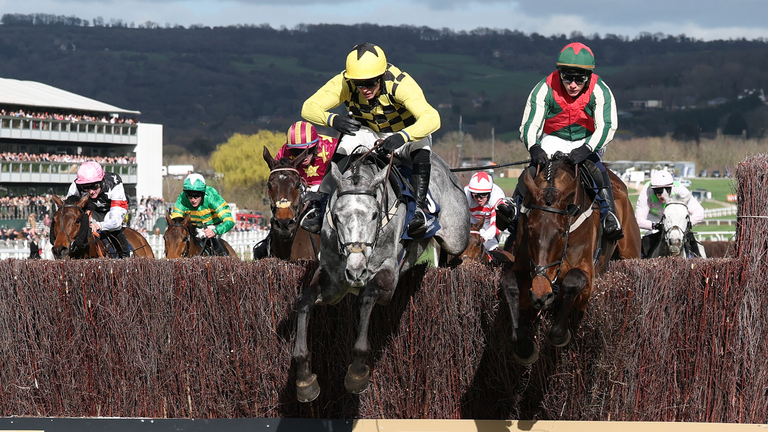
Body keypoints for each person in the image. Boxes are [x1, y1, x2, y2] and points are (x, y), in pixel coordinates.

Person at [301, 42, 441, 238]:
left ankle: (420, 211)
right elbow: (308, 107)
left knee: (422, 144)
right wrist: (332, 119)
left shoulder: (400, 84)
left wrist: (403, 136)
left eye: (371, 82)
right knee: (346, 143)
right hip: (369, 133)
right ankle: (321, 204)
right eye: (359, 84)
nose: (364, 89)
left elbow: (432, 118)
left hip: (404, 135)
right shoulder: (344, 82)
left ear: (382, 76)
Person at [515, 42, 622, 241]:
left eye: (579, 79)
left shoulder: (600, 90)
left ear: (588, 76)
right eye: (567, 78)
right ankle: (515, 207)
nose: (573, 85)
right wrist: (534, 147)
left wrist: (588, 148)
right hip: (554, 138)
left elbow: (607, 125)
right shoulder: (544, 87)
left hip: (588, 139)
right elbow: (530, 123)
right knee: (533, 168)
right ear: (560, 73)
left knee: (597, 170)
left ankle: (609, 215)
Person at [253, 121, 338, 259]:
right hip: (300, 188)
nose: (302, 155)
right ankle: (270, 243)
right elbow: (276, 184)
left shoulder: (332, 146)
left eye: (306, 151)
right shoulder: (283, 152)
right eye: (295, 152)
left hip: (328, 185)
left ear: (316, 145)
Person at [56, 161, 132, 258]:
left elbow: (115, 221)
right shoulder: (76, 186)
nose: (91, 192)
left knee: (111, 223)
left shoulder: (114, 184)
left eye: (95, 186)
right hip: (93, 211)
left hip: (113, 211)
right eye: (86, 187)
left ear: (101, 181)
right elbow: (68, 211)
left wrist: (98, 225)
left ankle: (125, 255)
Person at [635, 170, 705, 256]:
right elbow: (639, 219)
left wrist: (689, 223)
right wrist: (655, 225)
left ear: (671, 187)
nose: (661, 195)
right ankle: (642, 259)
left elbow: (699, 212)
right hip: (654, 217)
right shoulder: (647, 191)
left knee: (689, 239)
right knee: (649, 236)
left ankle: (699, 258)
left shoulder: (679, 189)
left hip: (675, 219)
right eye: (658, 191)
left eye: (666, 190)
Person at [170, 173, 235, 256]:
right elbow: (176, 218)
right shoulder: (182, 198)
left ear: (203, 194)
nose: (193, 200)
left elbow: (229, 221)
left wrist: (215, 231)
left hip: (212, 226)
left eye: (196, 196)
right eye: (190, 196)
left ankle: (224, 260)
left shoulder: (212, 197)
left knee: (208, 240)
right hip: (192, 227)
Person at [464, 172, 506, 252]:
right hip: (472, 223)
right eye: (475, 195)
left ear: (490, 192)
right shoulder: (466, 194)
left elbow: (496, 225)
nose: (479, 199)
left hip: (490, 224)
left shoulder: (497, 196)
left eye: (483, 194)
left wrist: (485, 237)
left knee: (490, 247)